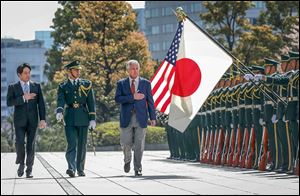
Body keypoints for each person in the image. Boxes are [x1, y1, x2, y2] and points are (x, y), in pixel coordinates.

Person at [115, 60, 156, 176]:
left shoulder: (146, 83)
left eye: (137, 68)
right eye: (132, 68)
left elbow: (150, 101)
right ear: (128, 70)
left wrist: (153, 117)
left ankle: (137, 168)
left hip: (141, 117)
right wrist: (132, 97)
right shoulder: (121, 83)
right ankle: (127, 159)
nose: (135, 70)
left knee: (139, 145)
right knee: (125, 142)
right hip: (126, 117)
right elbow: (117, 99)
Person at [56, 60, 96, 177]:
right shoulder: (63, 86)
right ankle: (71, 168)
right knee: (72, 143)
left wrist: (92, 118)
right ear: (69, 72)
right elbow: (61, 100)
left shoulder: (86, 84)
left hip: (83, 117)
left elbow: (91, 102)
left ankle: (80, 168)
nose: (78, 72)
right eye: (75, 70)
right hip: (69, 117)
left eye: (79, 70)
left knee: (82, 145)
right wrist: (59, 111)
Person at [7, 63, 46, 178]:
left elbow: (41, 105)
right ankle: (21, 163)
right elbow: (9, 102)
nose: (28, 75)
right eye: (25, 73)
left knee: (31, 145)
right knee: (19, 143)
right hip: (19, 122)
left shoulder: (36, 86)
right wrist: (24, 98)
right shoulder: (13, 87)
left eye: (29, 73)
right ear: (19, 74)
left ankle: (29, 169)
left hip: (33, 121)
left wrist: (42, 119)